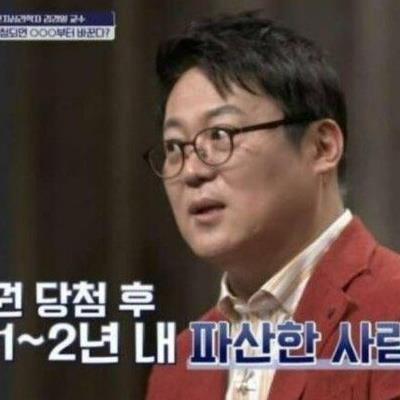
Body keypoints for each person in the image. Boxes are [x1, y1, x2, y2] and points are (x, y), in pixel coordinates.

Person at [144, 11, 400, 400]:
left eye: (220, 135)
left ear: (321, 147)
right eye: (175, 146)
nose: (192, 170)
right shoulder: (179, 365)